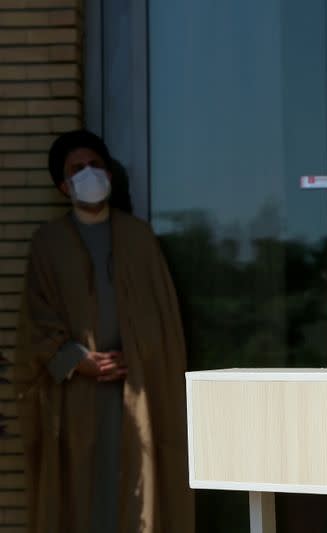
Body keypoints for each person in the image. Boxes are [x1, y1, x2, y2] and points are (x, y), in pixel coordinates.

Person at [13, 130, 194, 533]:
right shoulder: (49, 242)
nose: (89, 174)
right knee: (80, 491)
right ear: (63, 185)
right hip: (76, 392)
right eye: (78, 169)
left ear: (110, 175)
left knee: (138, 486)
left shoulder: (138, 237)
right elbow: (36, 319)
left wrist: (135, 353)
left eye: (96, 166)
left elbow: (162, 316)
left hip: (137, 387)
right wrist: (77, 361)